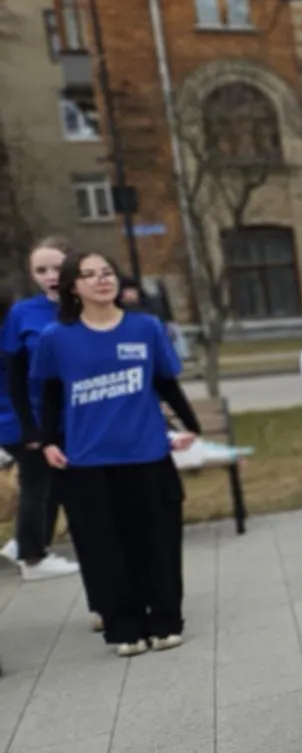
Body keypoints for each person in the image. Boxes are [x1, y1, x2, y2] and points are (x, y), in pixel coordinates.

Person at [32, 251, 199, 657]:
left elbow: (165, 383)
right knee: (104, 547)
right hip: (89, 461)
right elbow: (50, 394)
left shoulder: (145, 328)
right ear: (73, 287)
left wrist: (190, 425)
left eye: (106, 272)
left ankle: (164, 621)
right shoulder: (56, 337)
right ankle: (125, 628)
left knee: (157, 542)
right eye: (88, 275)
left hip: (146, 454)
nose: (100, 280)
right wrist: (49, 441)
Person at [3, 237, 84, 581]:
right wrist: (27, 424)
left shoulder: (85, 306)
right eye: (41, 269)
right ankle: (32, 555)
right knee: (39, 479)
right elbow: (10, 370)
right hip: (24, 416)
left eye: (57, 267)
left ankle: (25, 544)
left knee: (51, 482)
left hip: (71, 415)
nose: (51, 275)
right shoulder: (24, 313)